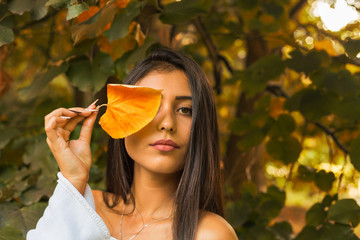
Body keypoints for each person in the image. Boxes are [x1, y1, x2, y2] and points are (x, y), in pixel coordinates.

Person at [27, 48, 238, 240]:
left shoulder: (209, 234)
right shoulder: (86, 207)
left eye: (185, 110)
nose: (167, 124)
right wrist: (73, 180)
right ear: (121, 117)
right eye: (150, 107)